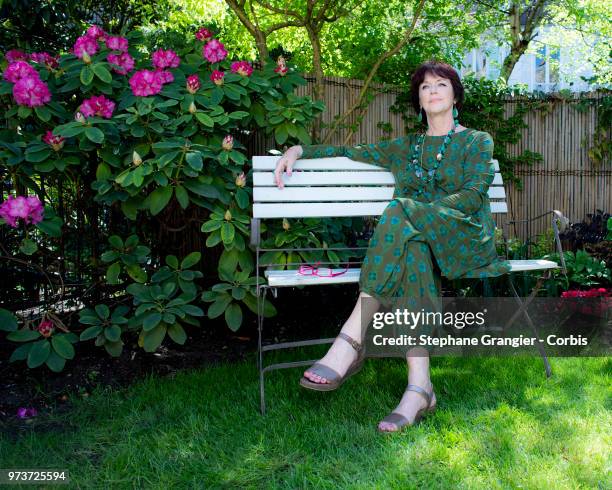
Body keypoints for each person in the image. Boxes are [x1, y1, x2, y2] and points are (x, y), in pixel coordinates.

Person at [272, 60, 512, 433]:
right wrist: (299, 150)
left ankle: (349, 341)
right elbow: (351, 151)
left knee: (402, 212)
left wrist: (419, 214)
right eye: (425, 87)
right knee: (412, 250)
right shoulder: (406, 147)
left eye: (441, 84)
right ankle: (419, 388)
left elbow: (471, 196)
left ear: (455, 95)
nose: (432, 90)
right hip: (416, 243)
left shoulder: (477, 141)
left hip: (462, 237)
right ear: (418, 100)